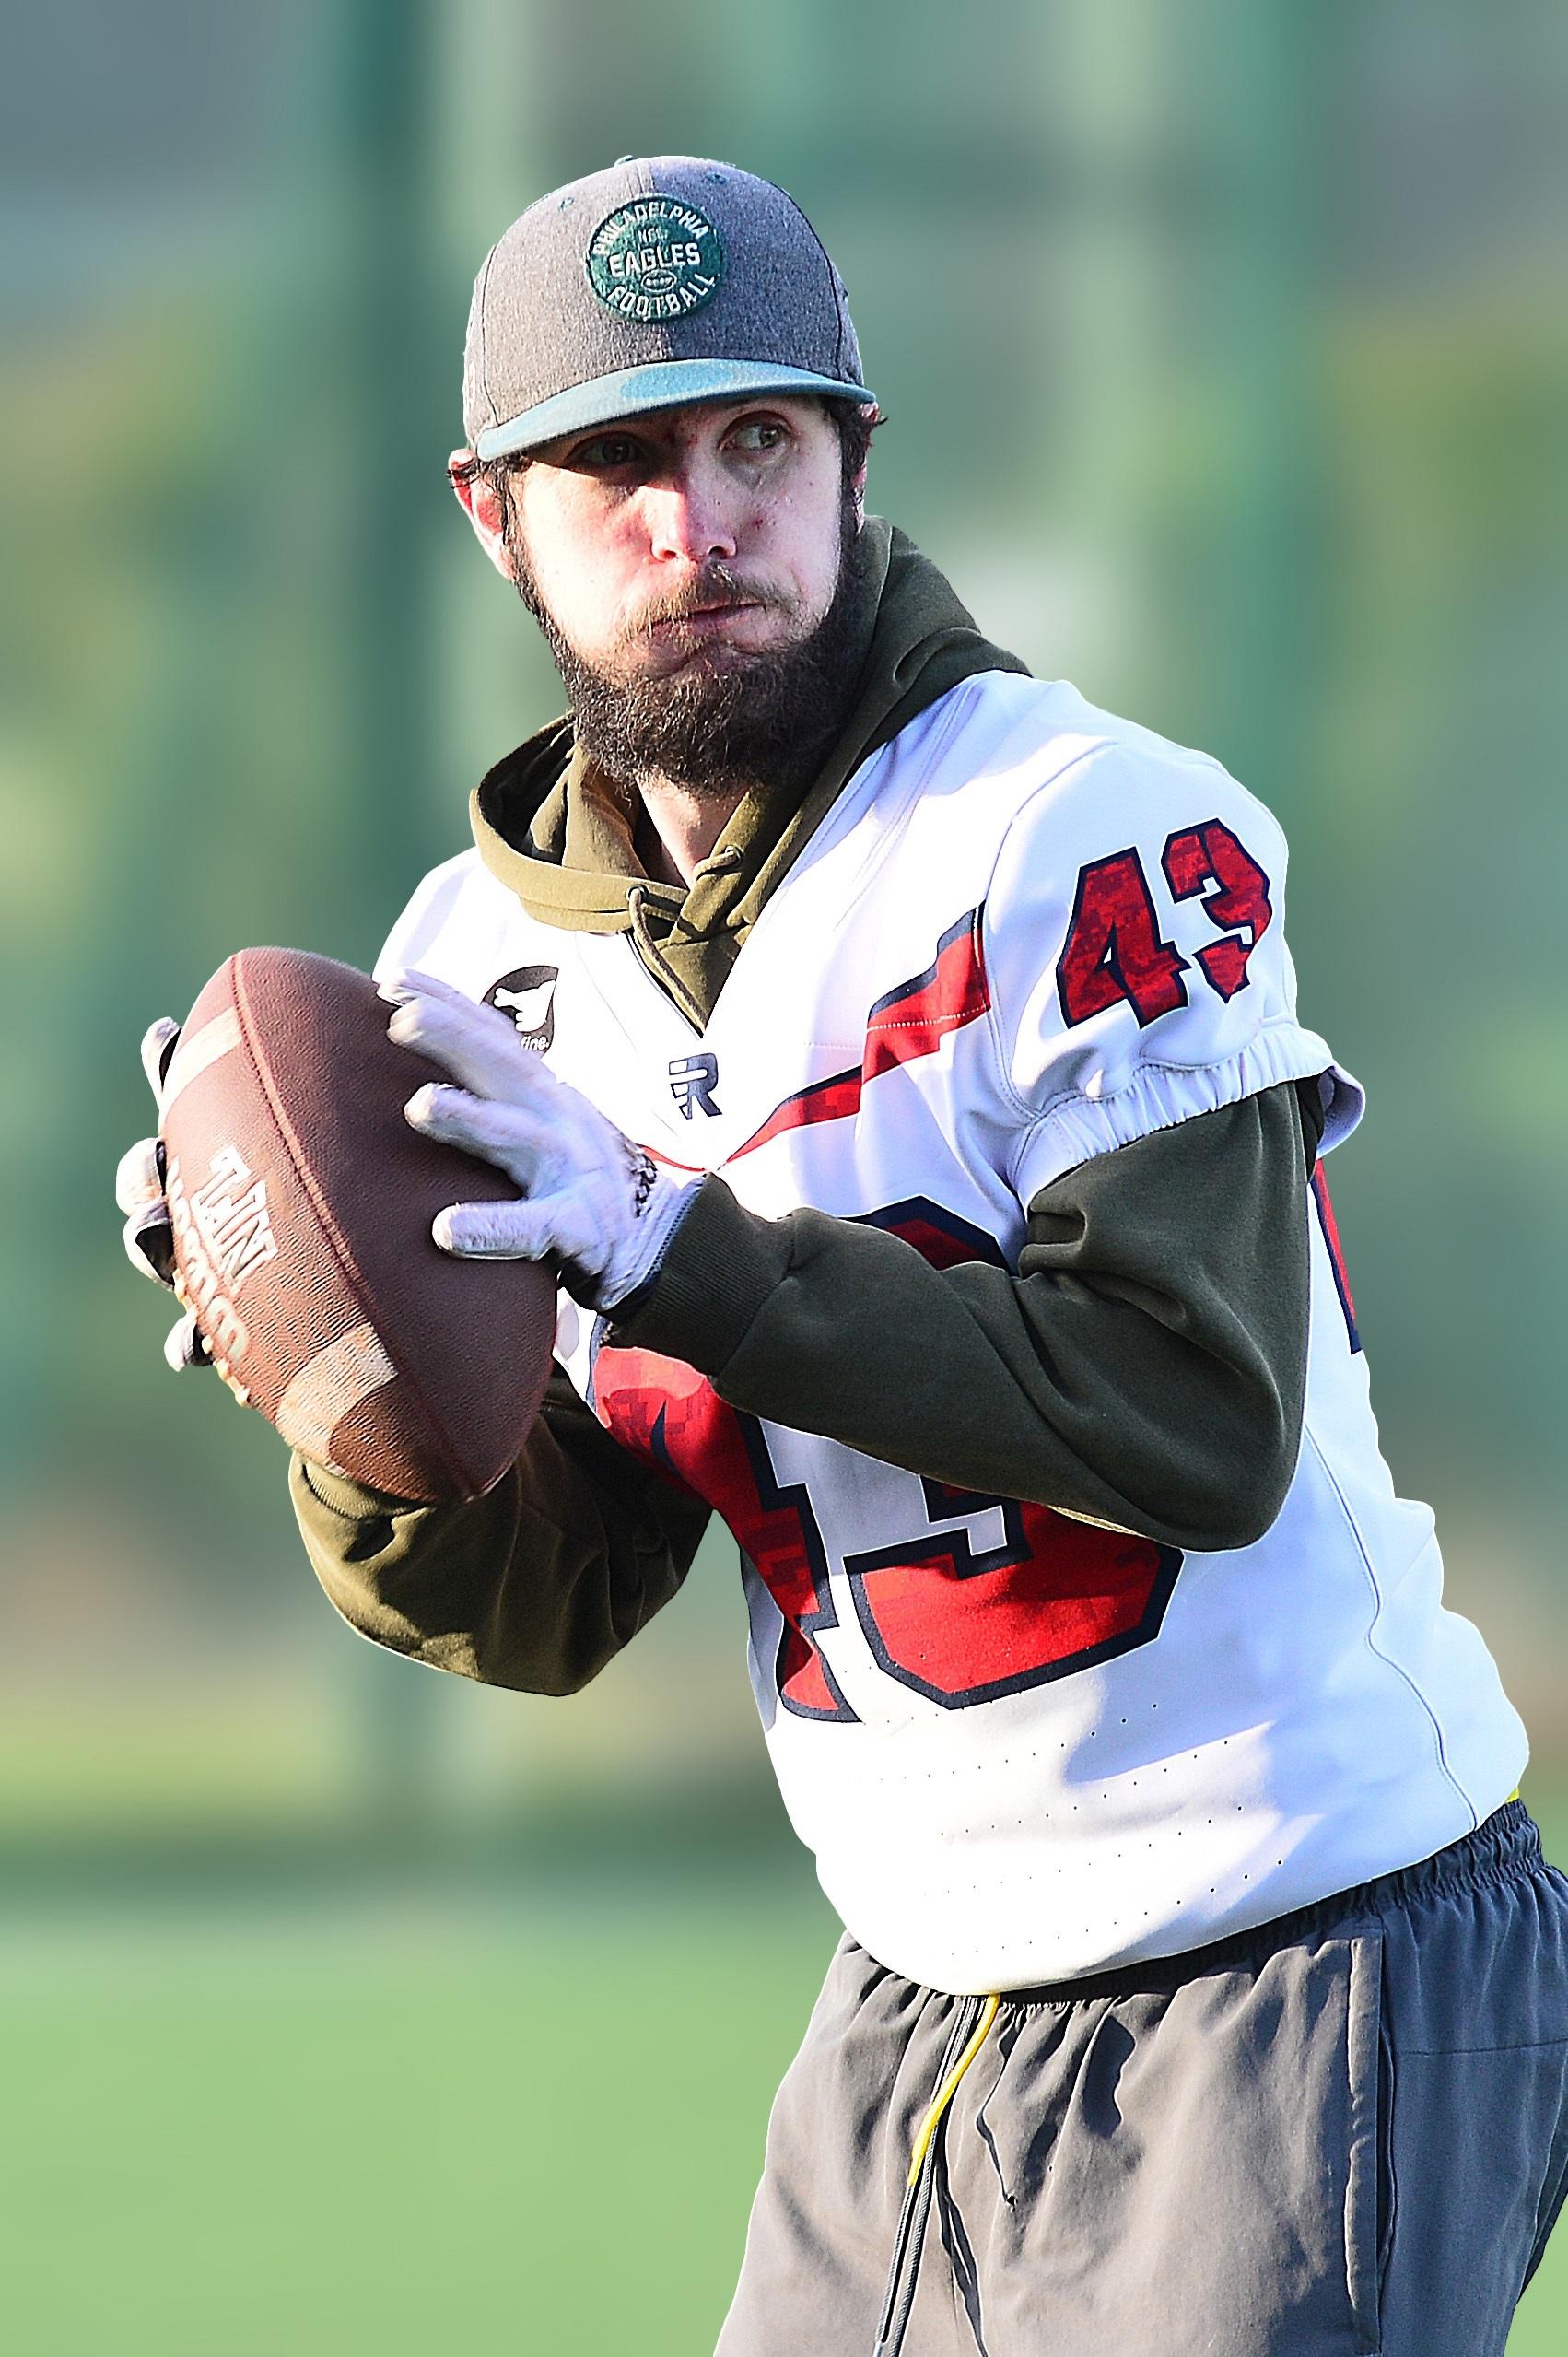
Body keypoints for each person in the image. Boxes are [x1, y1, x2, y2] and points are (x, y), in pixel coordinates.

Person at [118, 155, 1568, 2355]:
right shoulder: (471, 970)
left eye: (754, 442)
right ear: (490, 516)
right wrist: (324, 1377)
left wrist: (653, 1237)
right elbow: (559, 1597)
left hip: (1290, 1933)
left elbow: (1195, 1422)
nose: (699, 524)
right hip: (913, 1988)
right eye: (614, 462)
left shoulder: (1074, 823)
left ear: (851, 466)